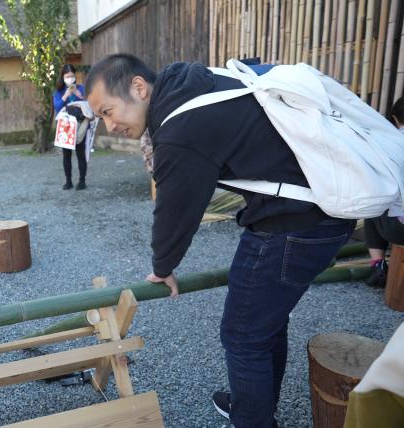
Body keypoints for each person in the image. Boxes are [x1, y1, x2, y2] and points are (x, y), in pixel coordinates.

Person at [85, 54, 356, 428]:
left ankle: (253, 418)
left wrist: (163, 266)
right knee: (265, 323)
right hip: (321, 207)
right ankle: (254, 405)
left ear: (138, 87)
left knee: (243, 335)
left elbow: (175, 210)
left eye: (108, 111)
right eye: (101, 118)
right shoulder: (190, 81)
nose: (109, 125)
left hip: (295, 222)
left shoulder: (179, 126)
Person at [364, 96, 404, 287]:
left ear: (396, 119)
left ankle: (378, 264)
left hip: (399, 230)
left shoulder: (390, 144)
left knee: (373, 208)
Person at [53, 64, 88, 190]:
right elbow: (57, 107)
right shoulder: (58, 91)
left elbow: (90, 104)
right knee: (66, 154)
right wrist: (65, 95)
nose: (70, 79)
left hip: (80, 124)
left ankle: (82, 181)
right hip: (66, 125)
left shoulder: (82, 88)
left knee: (80, 153)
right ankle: (68, 181)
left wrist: (80, 95)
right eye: (67, 76)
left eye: (72, 76)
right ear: (62, 77)